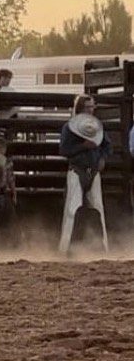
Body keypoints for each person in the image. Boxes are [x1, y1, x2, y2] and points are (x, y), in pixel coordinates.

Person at [58, 94, 111, 254]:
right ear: (80, 108)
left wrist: (102, 157)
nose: (91, 110)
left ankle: (104, 248)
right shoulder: (69, 127)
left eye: (92, 106)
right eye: (88, 106)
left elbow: (107, 146)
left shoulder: (97, 127)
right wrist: (83, 146)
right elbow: (64, 150)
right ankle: (64, 248)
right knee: (72, 208)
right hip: (77, 169)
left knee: (98, 207)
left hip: (93, 170)